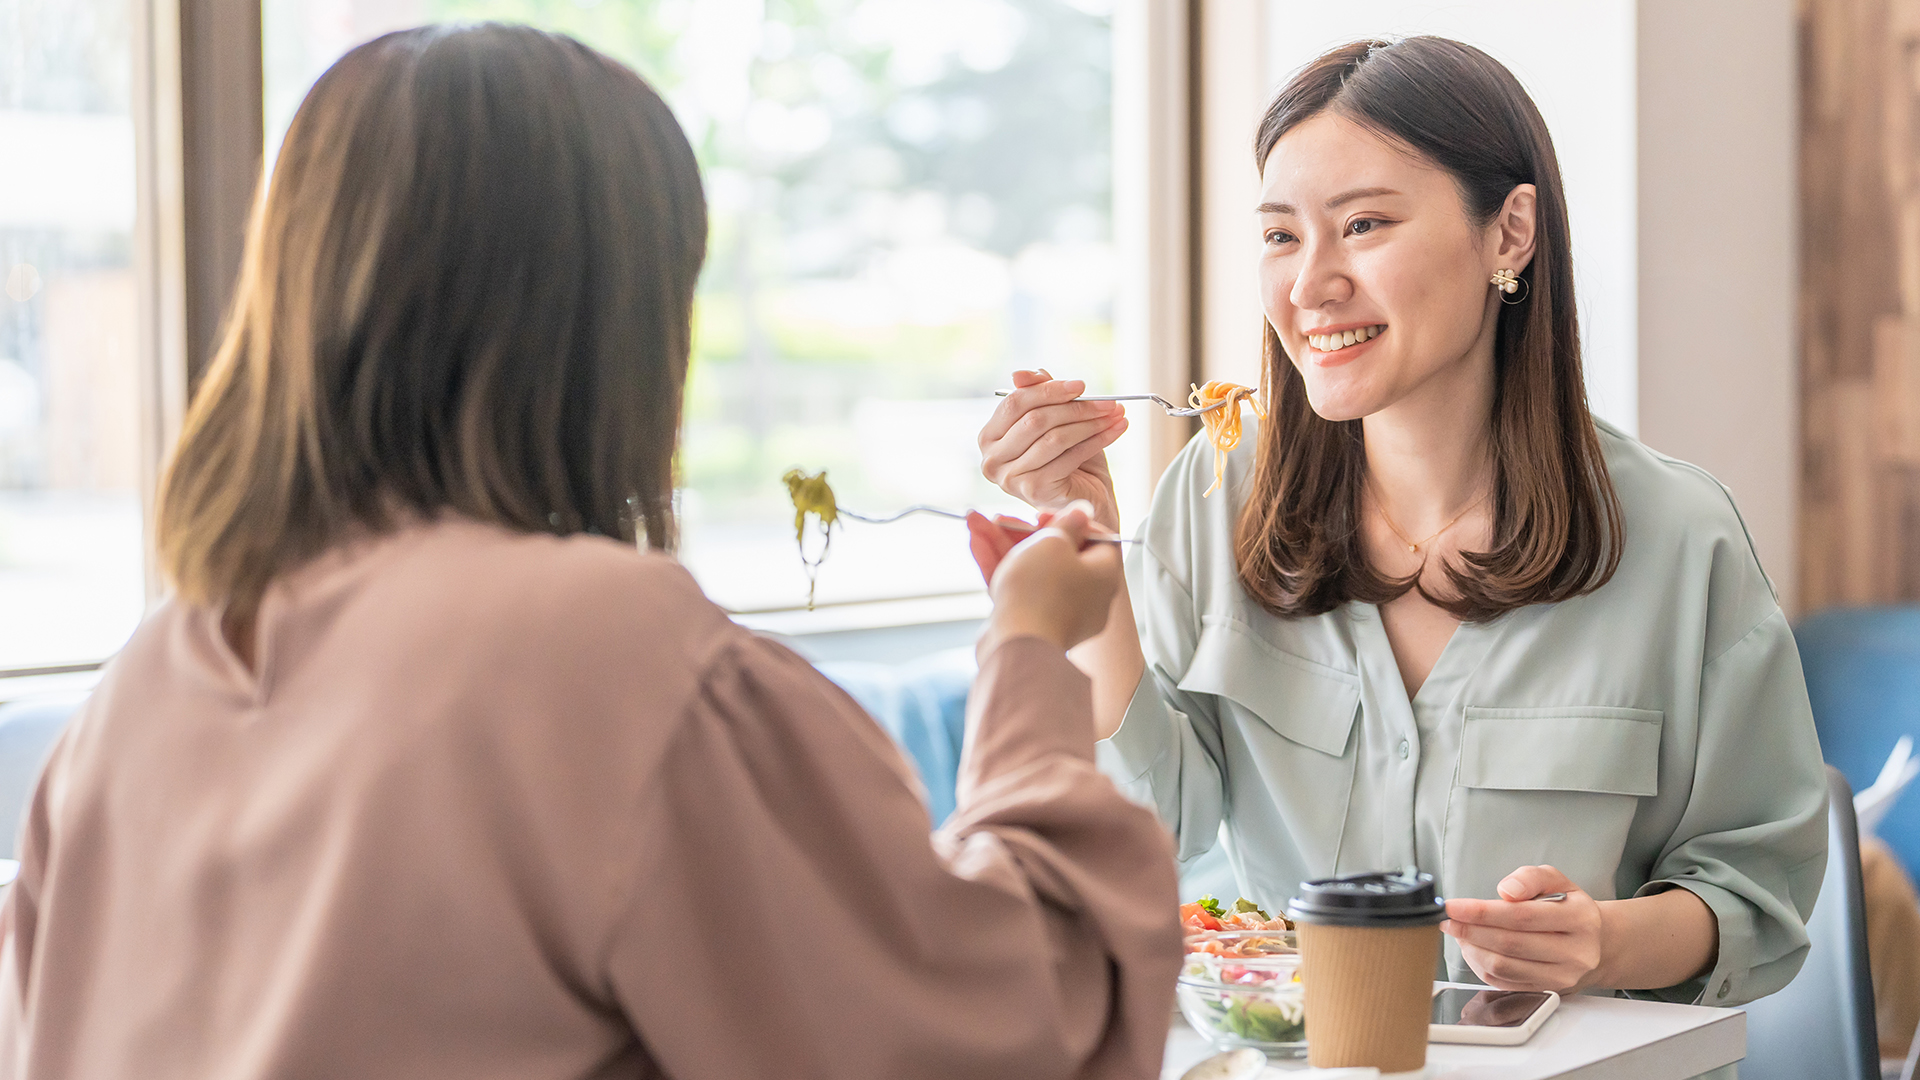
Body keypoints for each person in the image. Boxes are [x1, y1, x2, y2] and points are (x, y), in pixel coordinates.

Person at [0, 25, 1183, 1080]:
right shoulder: (603, 652)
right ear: (612, 319)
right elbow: (1005, 1025)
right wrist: (1026, 649)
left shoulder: (147, 685)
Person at [978, 35, 1827, 1007]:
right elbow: (1151, 830)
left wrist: (1603, 942)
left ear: (1510, 234)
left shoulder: (1680, 536)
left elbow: (1761, 893)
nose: (1310, 286)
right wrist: (1086, 564)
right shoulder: (1211, 499)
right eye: (1281, 235)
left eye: (1366, 225)